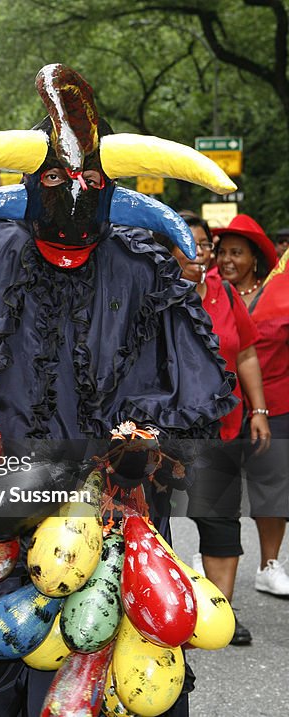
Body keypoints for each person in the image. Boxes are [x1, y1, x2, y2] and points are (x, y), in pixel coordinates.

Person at [0, 64, 237, 716]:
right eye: (58, 177)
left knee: (100, 681)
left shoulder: (142, 264)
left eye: (91, 180)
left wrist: (148, 432)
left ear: (113, 186)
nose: (76, 192)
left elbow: (192, 385)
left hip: (107, 504)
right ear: (31, 180)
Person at [160, 211, 268, 646]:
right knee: (155, 522)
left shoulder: (224, 293)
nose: (200, 254)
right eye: (189, 245)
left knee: (219, 520)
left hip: (220, 428)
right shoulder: (154, 295)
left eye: (205, 246)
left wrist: (258, 409)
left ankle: (220, 615)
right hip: (165, 430)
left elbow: (245, 353)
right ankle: (161, 613)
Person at [212, 214, 289, 598]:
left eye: (237, 253)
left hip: (272, 404)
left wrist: (263, 411)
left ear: (255, 258)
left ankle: (269, 564)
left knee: (271, 487)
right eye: (222, 252)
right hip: (220, 407)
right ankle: (211, 559)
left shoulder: (281, 292)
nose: (227, 260)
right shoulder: (206, 290)